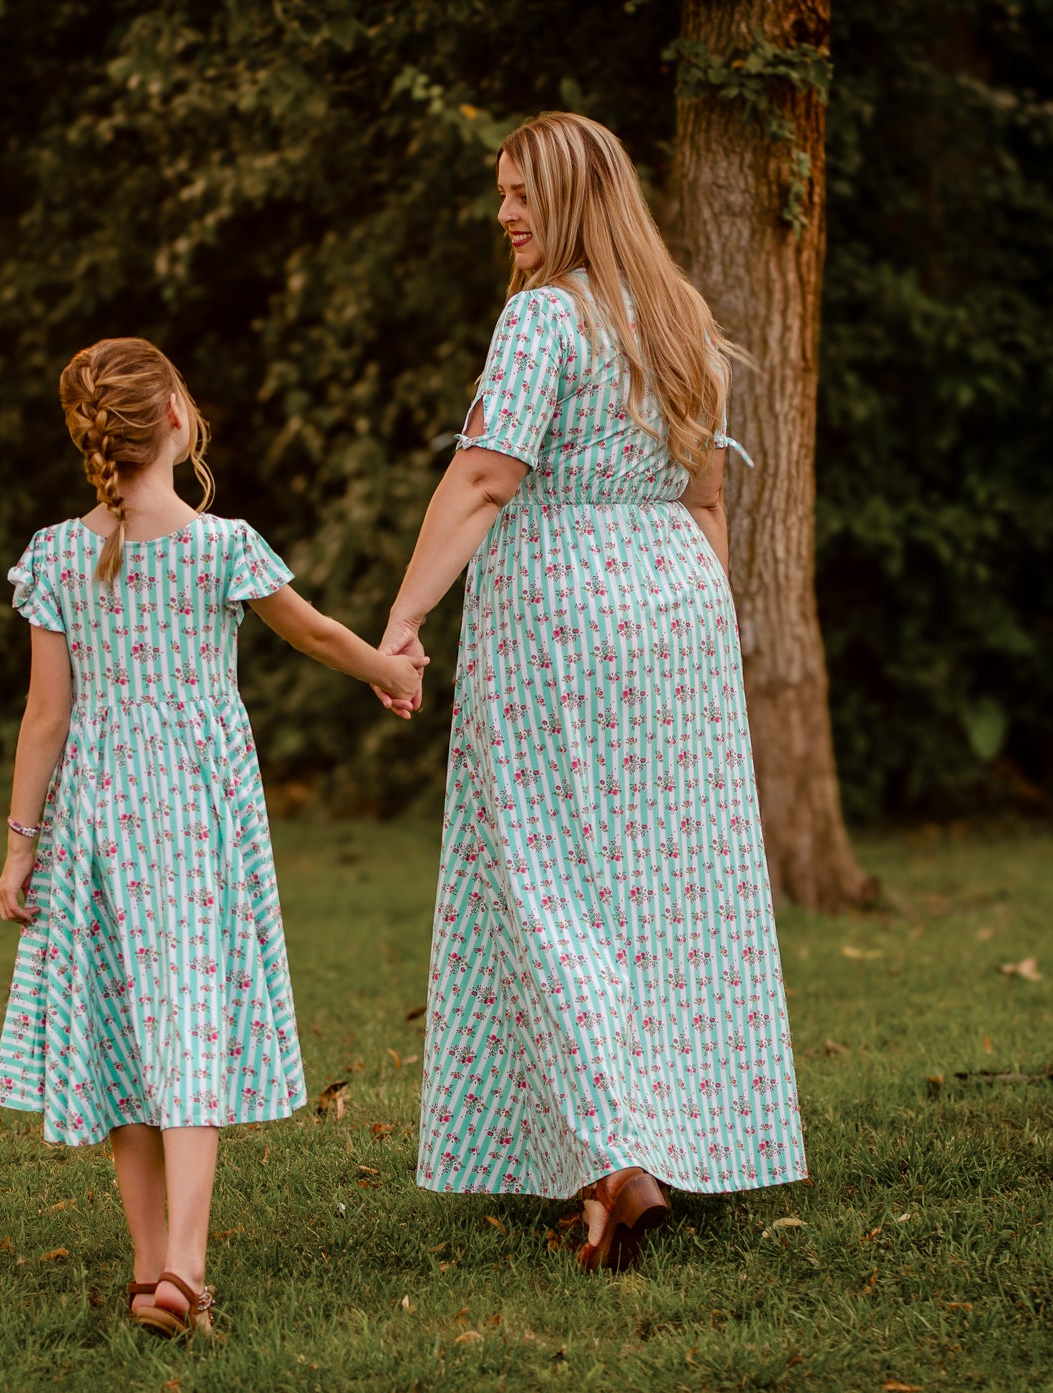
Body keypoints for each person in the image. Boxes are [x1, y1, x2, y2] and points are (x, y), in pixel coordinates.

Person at [375, 112, 810, 1271]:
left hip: (560, 612)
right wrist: (685, 626)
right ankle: (631, 1151)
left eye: (520, 194)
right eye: (500, 193)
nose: (503, 215)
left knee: (539, 876)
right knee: (654, 889)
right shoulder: (678, 320)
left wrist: (405, 617)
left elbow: (480, 478)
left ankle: (616, 1155)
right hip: (675, 613)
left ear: (571, 201)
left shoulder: (541, 318)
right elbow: (706, 498)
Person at [0, 337, 427, 1338]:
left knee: (122, 1030)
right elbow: (313, 630)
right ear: (176, 423)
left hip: (95, 817)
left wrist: (22, 841)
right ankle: (183, 1266)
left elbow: (44, 715)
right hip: (190, 815)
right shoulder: (220, 545)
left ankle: (151, 1269)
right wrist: (387, 671)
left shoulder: (57, 552)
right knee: (186, 1021)